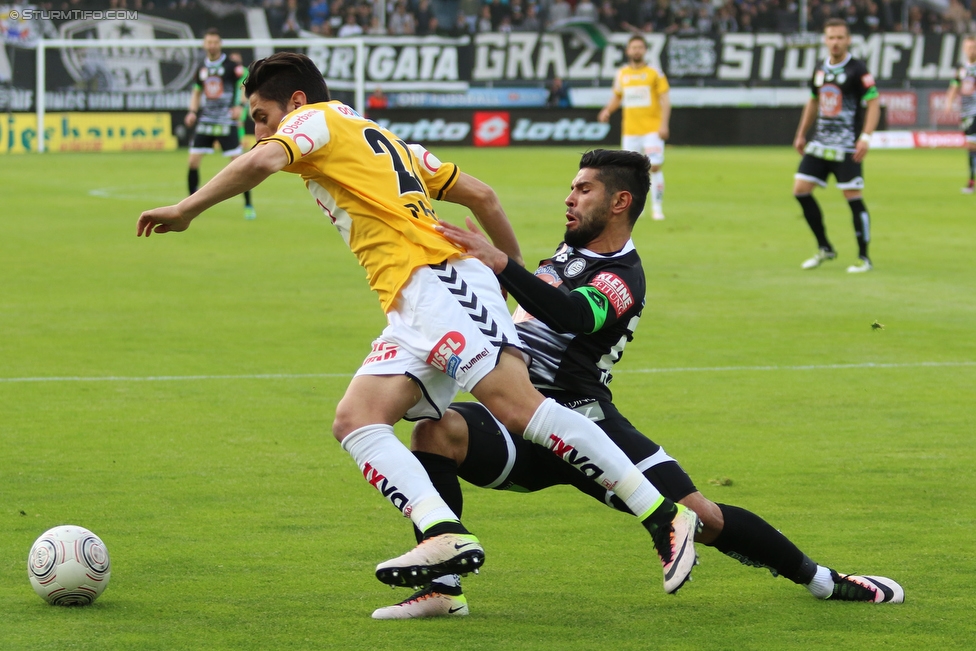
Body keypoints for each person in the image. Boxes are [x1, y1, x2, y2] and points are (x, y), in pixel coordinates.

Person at [137, 52, 701, 602]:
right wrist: (502, 283)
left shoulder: (316, 119)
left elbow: (261, 163)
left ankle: (663, 515)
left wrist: (187, 208)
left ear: (297, 102)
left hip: (437, 281)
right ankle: (442, 538)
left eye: (262, 117)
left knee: (518, 408)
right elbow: (482, 194)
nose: (259, 133)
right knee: (356, 420)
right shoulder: (381, 140)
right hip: (413, 302)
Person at [371, 149, 905, 619]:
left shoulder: (622, 276)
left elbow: (574, 315)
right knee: (435, 434)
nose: (569, 198)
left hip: (587, 422)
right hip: (522, 419)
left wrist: (503, 262)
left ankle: (824, 582)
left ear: (620, 201)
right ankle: (444, 588)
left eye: (584, 190)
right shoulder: (566, 253)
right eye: (571, 188)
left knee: (702, 518)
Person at [792, 18, 880, 274]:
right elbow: (813, 101)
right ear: (825, 39)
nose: (835, 42)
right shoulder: (820, 69)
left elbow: (873, 103)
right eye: (831, 37)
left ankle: (864, 257)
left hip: (846, 146)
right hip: (820, 143)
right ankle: (825, 247)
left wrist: (865, 137)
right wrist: (801, 134)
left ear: (848, 39)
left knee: (853, 198)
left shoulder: (858, 69)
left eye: (840, 37)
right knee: (800, 190)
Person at [185, 28, 256, 221]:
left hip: (226, 120)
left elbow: (244, 84)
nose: (212, 45)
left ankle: (248, 204)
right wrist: (192, 111)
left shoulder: (231, 66)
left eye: (215, 42)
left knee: (238, 165)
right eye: (209, 42)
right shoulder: (201, 67)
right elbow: (197, 91)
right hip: (206, 119)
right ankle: (190, 204)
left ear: (220, 44)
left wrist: (240, 105)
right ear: (204, 44)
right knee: (192, 162)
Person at [598, 34, 670, 221]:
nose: (637, 50)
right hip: (630, 131)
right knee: (630, 172)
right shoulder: (622, 74)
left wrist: (663, 124)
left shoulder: (655, 73)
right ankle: (637, 208)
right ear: (628, 51)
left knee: (654, 167)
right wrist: (607, 110)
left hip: (652, 129)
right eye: (633, 47)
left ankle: (657, 208)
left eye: (640, 47)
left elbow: (665, 99)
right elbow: (617, 96)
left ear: (645, 50)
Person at [944, 34, 976, 194]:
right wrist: (948, 102)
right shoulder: (961, 69)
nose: (970, 50)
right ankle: (971, 181)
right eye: (968, 47)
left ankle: (971, 182)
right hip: (966, 112)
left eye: (973, 47)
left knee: (972, 145)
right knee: (971, 147)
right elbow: (954, 86)